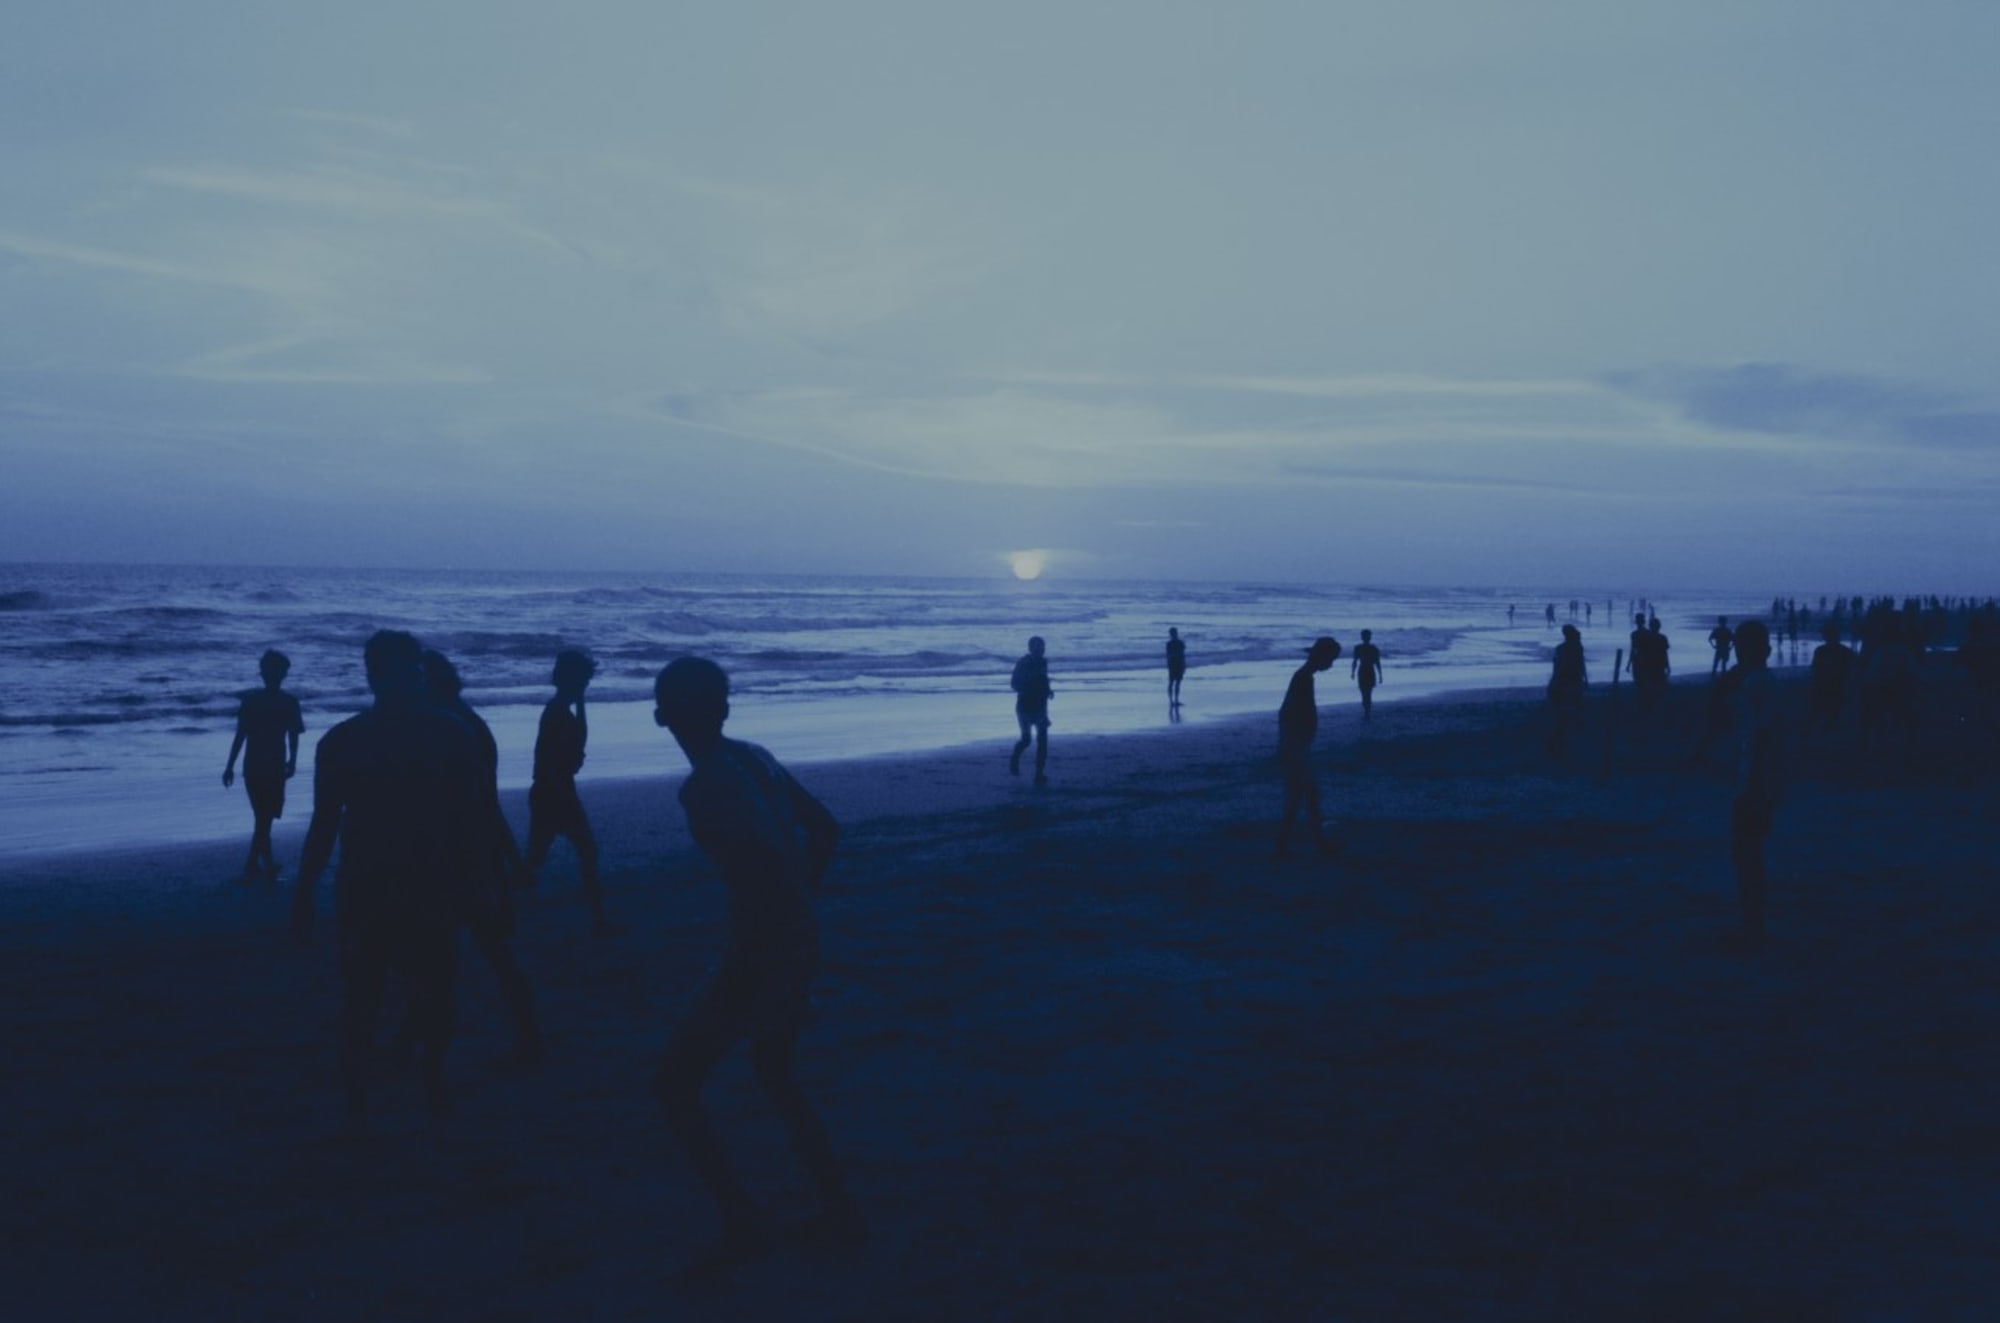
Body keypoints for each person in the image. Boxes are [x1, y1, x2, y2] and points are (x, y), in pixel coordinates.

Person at [651, 656, 862, 1272]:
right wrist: (801, 909)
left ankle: (747, 1224)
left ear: (661, 716)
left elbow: (763, 868)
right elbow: (822, 830)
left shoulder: (704, 787)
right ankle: (835, 1210)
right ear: (724, 708)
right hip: (791, 939)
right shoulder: (755, 756)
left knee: (675, 1083)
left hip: (760, 950)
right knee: (774, 1075)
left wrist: (763, 945)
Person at [290, 630, 487, 1123]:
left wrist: (481, 884)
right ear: (376, 678)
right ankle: (381, 1096)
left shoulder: (436, 735)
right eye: (400, 674)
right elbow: (324, 822)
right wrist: (304, 890)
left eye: (413, 674)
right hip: (379, 885)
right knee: (371, 995)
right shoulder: (354, 741)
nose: (408, 683)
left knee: (421, 994)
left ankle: (423, 1085)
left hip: (412, 884)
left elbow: (470, 818)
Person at [415, 650, 541, 1067]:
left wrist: (505, 858)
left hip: (464, 854)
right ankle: (527, 1031)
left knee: (468, 951)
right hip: (475, 851)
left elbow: (479, 801)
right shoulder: (463, 723)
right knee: (481, 950)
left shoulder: (453, 728)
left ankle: (528, 1033)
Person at [522, 649, 611, 934]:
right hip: (556, 793)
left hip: (551, 792)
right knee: (580, 852)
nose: (585, 685)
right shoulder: (557, 713)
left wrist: (582, 702)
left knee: (538, 857)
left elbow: (578, 742)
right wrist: (562, 785)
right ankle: (598, 921)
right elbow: (559, 756)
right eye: (583, 681)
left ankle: (598, 920)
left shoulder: (559, 710)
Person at [1725, 621, 1784, 953]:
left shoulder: (1758, 685)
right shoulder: (1759, 682)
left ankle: (1753, 925)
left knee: (1746, 852)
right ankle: (1751, 922)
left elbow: (1760, 735)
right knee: (1747, 851)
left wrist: (1749, 781)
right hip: (1758, 778)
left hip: (1757, 780)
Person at [223, 649, 305, 882]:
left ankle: (265, 862)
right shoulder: (289, 702)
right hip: (273, 764)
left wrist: (230, 766)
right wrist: (293, 761)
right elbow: (294, 735)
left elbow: (241, 735)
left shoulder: (251, 700)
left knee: (262, 815)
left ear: (262, 673)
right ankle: (252, 863)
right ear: (284, 674)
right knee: (265, 816)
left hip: (254, 765)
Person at [1275, 636, 1342, 859]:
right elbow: (1288, 711)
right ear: (1321, 656)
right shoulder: (1303, 678)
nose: (1331, 664)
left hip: (1296, 743)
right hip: (1296, 745)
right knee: (1304, 795)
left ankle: (1304, 844)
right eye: (1331, 659)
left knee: (1303, 795)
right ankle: (1294, 846)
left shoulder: (1304, 677)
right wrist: (1293, 740)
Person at [1009, 636, 1054, 784]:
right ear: (1030, 649)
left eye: (1042, 647)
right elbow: (1014, 684)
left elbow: (1045, 680)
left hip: (1040, 707)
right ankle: (1015, 758)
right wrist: (1029, 687)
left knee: (1043, 741)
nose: (1041, 650)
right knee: (1026, 739)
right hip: (1025, 707)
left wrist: (1048, 691)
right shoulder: (1023, 663)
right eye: (1038, 647)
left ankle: (1039, 774)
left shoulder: (1043, 662)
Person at [1807, 621, 1857, 736]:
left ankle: (1824, 731)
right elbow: (1854, 668)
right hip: (1838, 684)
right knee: (1834, 710)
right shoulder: (1846, 651)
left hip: (1824, 684)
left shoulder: (1821, 650)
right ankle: (1831, 730)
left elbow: (1815, 669)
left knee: (1819, 710)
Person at [1545, 624, 1588, 756]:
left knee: (1561, 713)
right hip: (1571, 682)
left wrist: (1553, 682)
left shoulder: (1561, 648)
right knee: (1572, 711)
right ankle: (1566, 741)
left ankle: (1559, 742)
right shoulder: (1576, 648)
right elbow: (1581, 665)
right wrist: (1585, 679)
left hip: (1562, 682)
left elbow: (1557, 668)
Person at [1350, 629, 1384, 720]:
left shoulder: (1361, 648)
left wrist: (1380, 674)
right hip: (1367, 670)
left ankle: (1367, 712)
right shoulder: (1372, 648)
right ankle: (1367, 712)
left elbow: (1377, 662)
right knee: (1366, 693)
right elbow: (1355, 661)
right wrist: (1380, 674)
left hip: (1365, 671)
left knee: (1365, 693)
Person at [1165, 628, 1187, 709]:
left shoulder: (1171, 643)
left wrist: (1184, 664)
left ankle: (1174, 701)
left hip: (1175, 664)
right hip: (1175, 664)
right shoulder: (1177, 643)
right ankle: (1173, 701)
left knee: (1175, 683)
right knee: (1173, 683)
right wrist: (1184, 664)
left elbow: (1169, 655)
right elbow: (1181, 655)